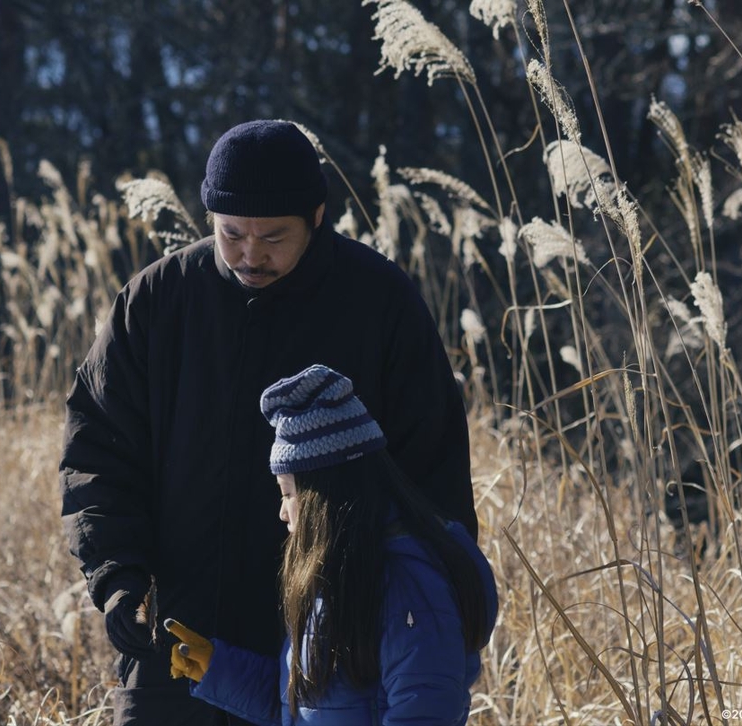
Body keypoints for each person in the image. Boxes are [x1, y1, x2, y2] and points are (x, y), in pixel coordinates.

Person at [59, 120, 477, 725]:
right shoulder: (157, 301)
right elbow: (97, 450)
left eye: (274, 237)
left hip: (331, 648)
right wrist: (117, 573)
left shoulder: (378, 303)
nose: (251, 254)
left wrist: (421, 610)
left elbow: (431, 477)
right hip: (179, 643)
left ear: (317, 215)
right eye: (231, 234)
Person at [165, 364, 497, 726]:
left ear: (322, 497)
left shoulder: (410, 587)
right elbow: (305, 709)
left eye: (288, 493)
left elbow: (426, 713)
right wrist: (219, 670)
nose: (282, 512)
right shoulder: (339, 578)